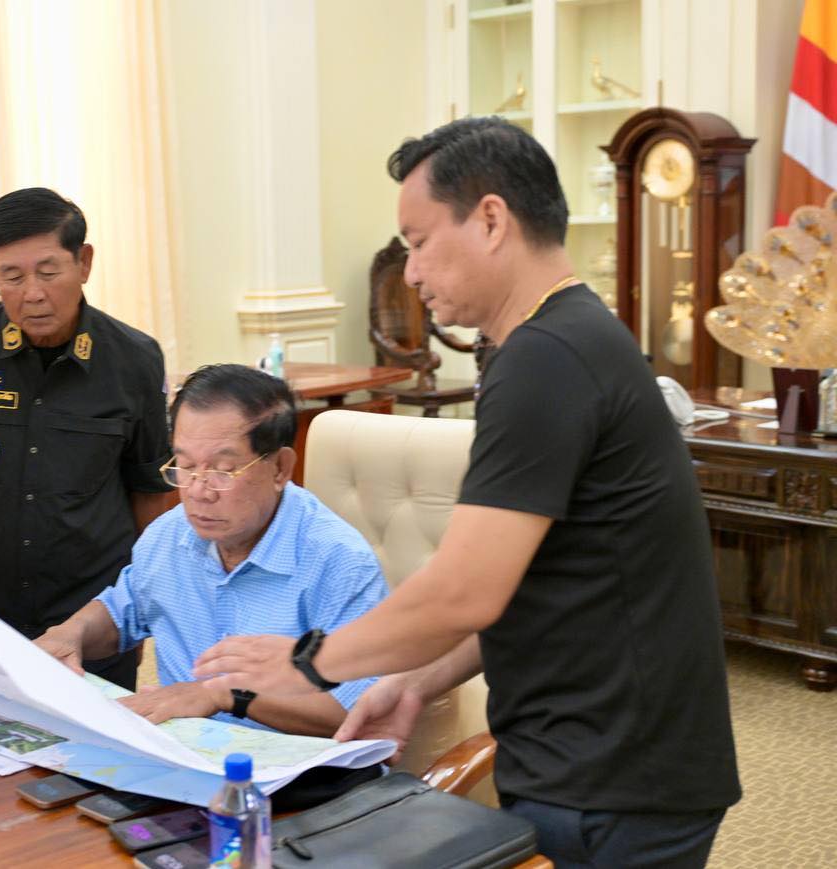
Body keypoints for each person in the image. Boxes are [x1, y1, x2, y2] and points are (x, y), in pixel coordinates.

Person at [194, 118, 740, 867]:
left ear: (490, 220)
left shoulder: (546, 357)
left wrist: (310, 660)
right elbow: (538, 582)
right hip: (608, 755)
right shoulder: (568, 337)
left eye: (419, 242)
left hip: (613, 778)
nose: (411, 272)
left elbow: (462, 592)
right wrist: (419, 678)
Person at [0, 187, 173, 690]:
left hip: (90, 615)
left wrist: (141, 606)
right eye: (12, 277)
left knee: (93, 739)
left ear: (84, 263)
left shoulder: (134, 359)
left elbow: (151, 490)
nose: (32, 293)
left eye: (48, 271)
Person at [34, 364, 388, 736]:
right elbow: (122, 613)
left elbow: (357, 713)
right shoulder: (168, 536)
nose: (198, 491)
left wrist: (226, 695)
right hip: (182, 757)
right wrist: (71, 632)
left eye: (223, 470)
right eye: (186, 466)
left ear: (281, 468)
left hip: (293, 768)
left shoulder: (338, 560)